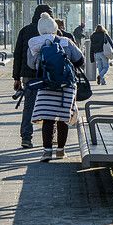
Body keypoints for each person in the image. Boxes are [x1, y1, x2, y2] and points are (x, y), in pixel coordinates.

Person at [26, 13, 84, 162]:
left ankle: (46, 152)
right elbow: (80, 59)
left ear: (39, 29)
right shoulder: (65, 41)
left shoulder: (34, 44)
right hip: (66, 85)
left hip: (46, 85)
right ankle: (61, 151)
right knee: (63, 118)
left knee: (48, 118)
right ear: (54, 27)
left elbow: (31, 65)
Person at [13, 4, 54, 148]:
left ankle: (26, 137)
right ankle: (49, 139)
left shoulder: (25, 31)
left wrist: (16, 77)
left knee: (29, 106)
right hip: (50, 76)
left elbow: (17, 55)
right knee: (49, 106)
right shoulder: (54, 32)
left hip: (29, 76)